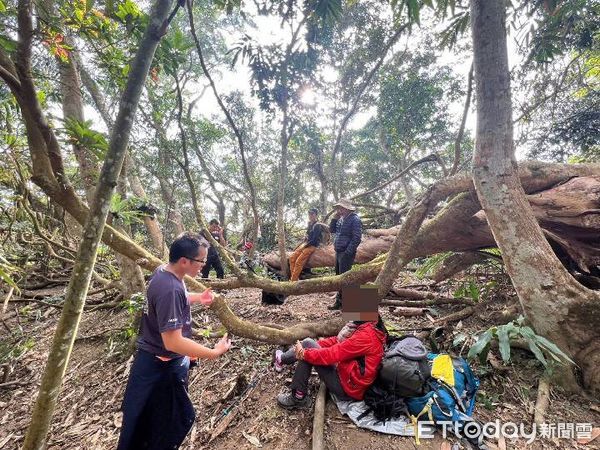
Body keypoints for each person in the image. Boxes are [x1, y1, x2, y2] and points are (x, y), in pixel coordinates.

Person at [117, 233, 232, 450]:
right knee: (161, 426)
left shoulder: (165, 272)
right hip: (159, 369)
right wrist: (214, 352)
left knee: (154, 423)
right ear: (184, 261)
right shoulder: (169, 288)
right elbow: (173, 342)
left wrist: (198, 297)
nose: (204, 265)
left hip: (160, 362)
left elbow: (178, 295)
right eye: (202, 261)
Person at [273, 286, 386, 408]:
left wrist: (305, 353)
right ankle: (283, 361)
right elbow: (338, 341)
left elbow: (332, 355)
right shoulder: (369, 324)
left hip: (348, 389)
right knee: (308, 345)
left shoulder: (365, 336)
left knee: (307, 350)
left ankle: (297, 396)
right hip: (349, 379)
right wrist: (316, 346)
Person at [328, 199, 362, 310]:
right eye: (339, 208)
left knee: (346, 279)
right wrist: (334, 217)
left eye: (341, 208)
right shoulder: (340, 219)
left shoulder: (355, 219)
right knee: (339, 278)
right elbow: (332, 230)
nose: (339, 210)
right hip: (338, 251)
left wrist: (348, 252)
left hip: (346, 253)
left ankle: (350, 305)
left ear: (347, 208)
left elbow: (357, 237)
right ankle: (339, 302)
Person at [288, 208, 322, 282]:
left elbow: (315, 240)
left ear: (316, 215)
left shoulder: (318, 225)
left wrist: (305, 245)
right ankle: (295, 278)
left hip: (312, 246)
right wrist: (305, 237)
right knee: (291, 258)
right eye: (309, 214)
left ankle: (293, 281)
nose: (310, 215)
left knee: (298, 262)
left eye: (312, 214)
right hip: (306, 244)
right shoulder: (309, 223)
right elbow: (307, 233)